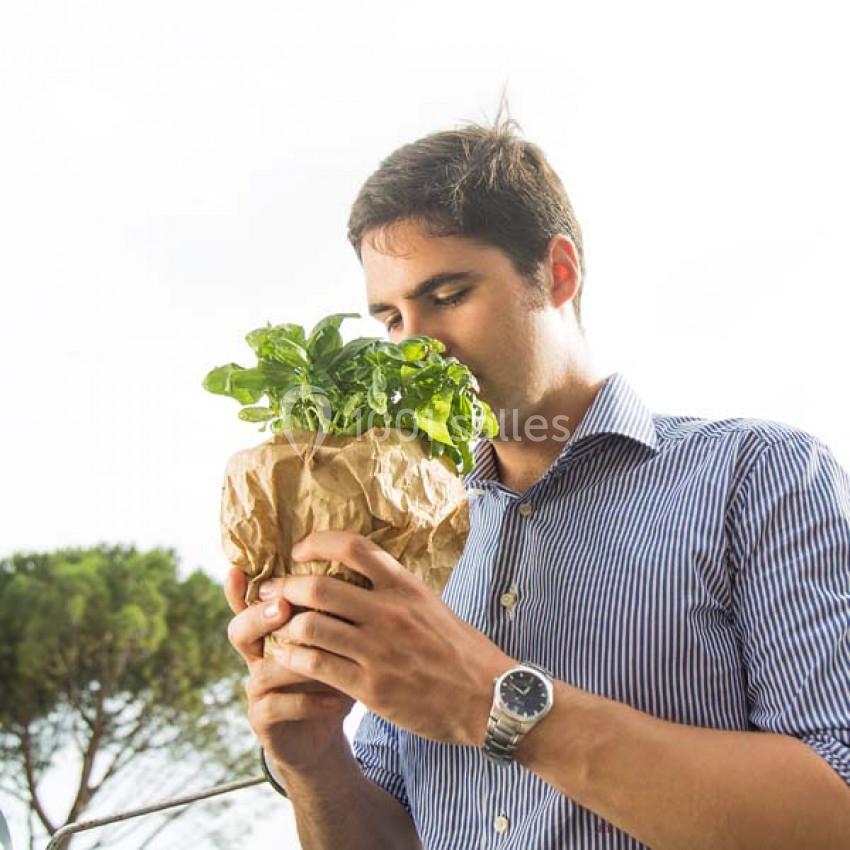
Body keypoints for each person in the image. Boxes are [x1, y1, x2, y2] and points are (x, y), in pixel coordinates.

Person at [224, 114, 850, 850]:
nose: (412, 348)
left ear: (558, 272)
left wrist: (489, 702)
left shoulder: (760, 474)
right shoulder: (408, 535)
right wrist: (315, 763)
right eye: (391, 318)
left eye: (448, 296)